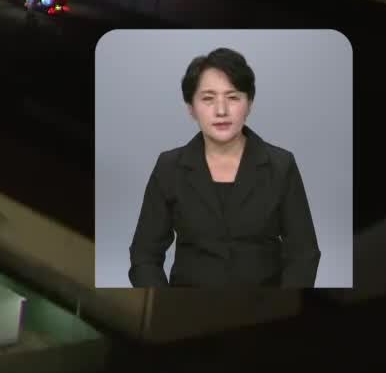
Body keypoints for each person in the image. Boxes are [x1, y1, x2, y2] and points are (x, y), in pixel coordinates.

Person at [128, 47, 321, 287]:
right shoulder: (169, 167)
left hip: (264, 307)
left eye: (233, 97)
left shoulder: (281, 166)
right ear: (191, 107)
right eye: (208, 98)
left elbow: (304, 254)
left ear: (249, 103)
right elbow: (144, 255)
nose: (221, 111)